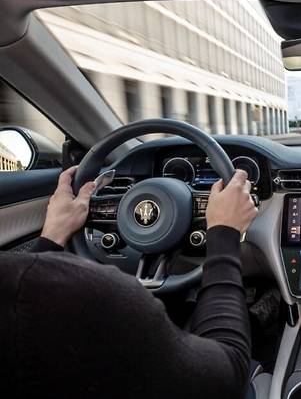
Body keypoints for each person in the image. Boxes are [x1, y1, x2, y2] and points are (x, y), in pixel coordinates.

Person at [0, 166, 259, 399]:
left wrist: (52, 237)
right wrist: (224, 234)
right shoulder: (97, 295)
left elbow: (26, 294)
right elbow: (228, 374)